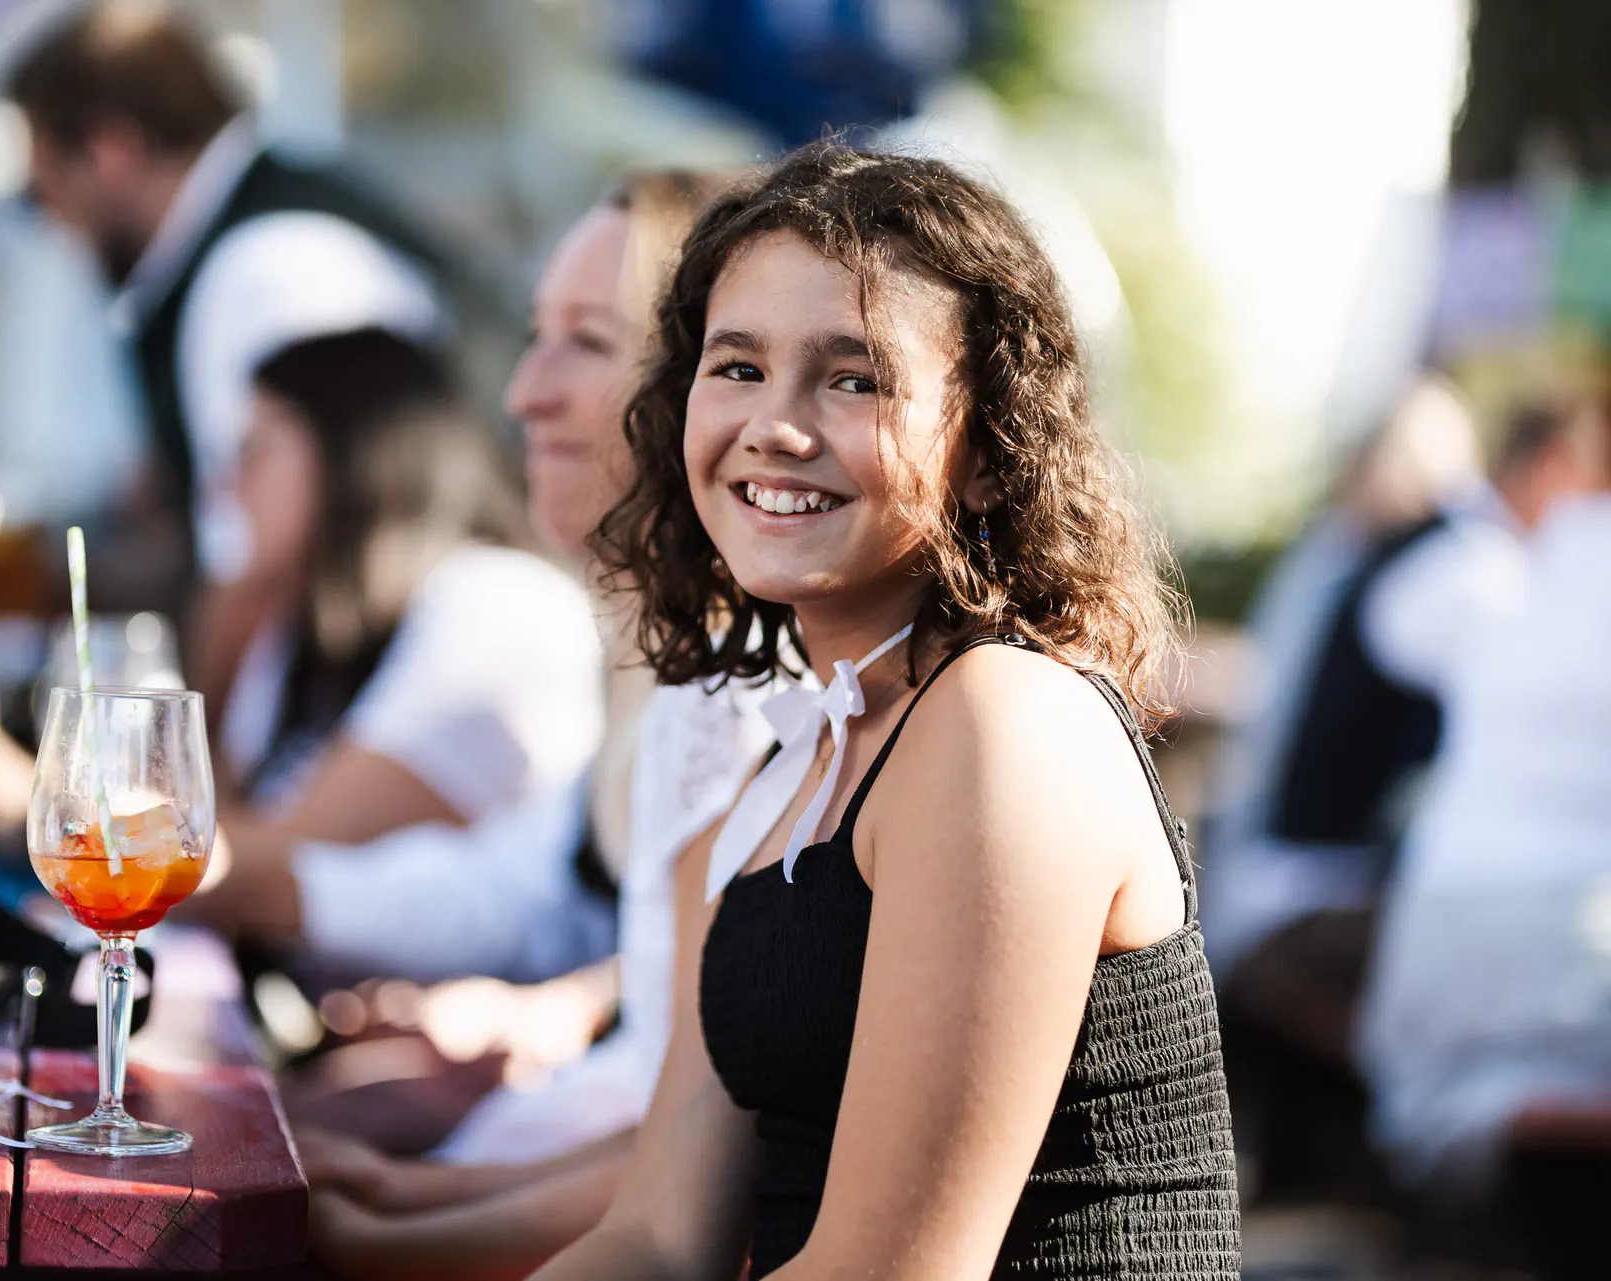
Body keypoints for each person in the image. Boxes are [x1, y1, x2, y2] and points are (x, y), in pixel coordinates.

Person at [532, 143, 1240, 1279]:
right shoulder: (794, 762)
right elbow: (656, 1238)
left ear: (990, 455)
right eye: (738, 366)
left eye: (853, 379)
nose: (775, 425)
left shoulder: (1005, 724)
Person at [303, 171, 780, 1280]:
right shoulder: (662, 658)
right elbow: (537, 896)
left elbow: (702, 1151)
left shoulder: (738, 691)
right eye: (535, 337)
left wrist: (393, 1224)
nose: (523, 392)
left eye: (586, 342)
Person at [1, 1, 448, 711]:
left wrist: (187, 758)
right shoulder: (251, 239)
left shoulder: (258, 269)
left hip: (382, 712)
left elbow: (250, 565)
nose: (51, 218)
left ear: (111, 152)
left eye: (39, 188)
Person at [1206, 390, 1596, 1198]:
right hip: (1316, 890)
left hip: (1263, 875)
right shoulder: (1480, 571)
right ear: (1552, 470)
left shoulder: (1353, 558)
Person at [184, 327, 609, 988]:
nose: (224, 484)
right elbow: (216, 812)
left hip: (480, 1027)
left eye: (251, 447)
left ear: (353, 449)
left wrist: (38, 811)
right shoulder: (312, 616)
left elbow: (274, 858)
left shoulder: (498, 608)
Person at [1356, 398, 1611, 1274]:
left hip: (1447, 907)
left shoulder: (1498, 574)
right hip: (1579, 923)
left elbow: (1395, 626)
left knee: (1455, 1108)